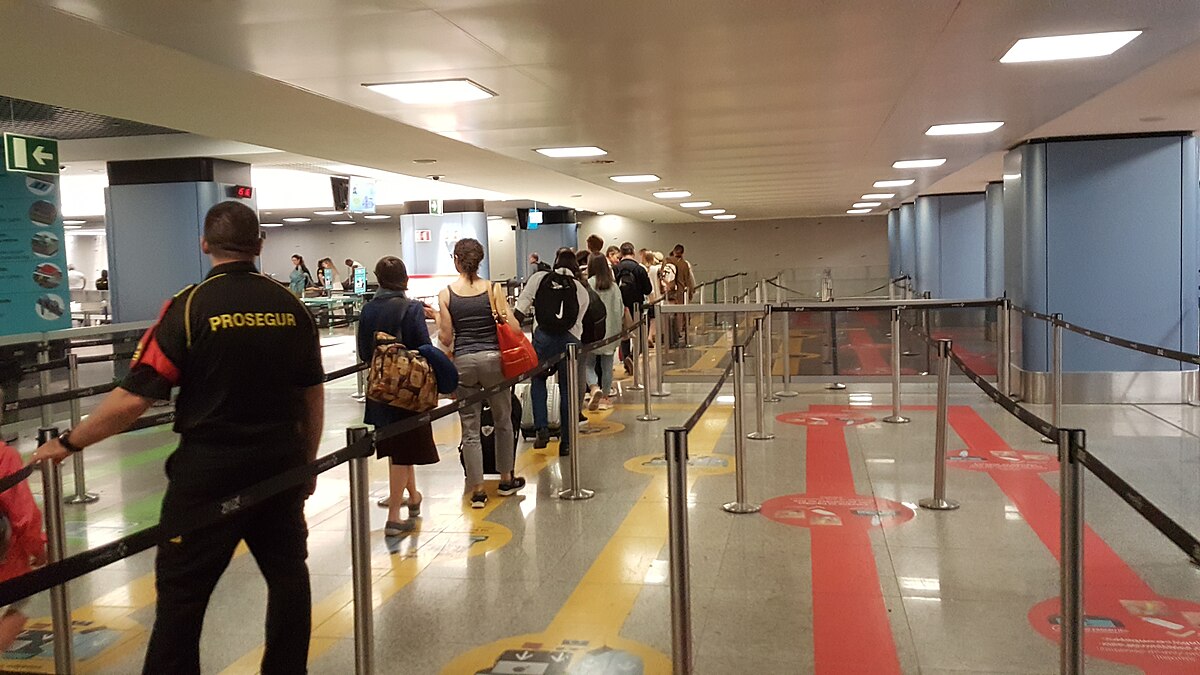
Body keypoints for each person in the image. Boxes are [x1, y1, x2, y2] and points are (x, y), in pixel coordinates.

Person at [32, 201, 324, 675]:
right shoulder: (290, 307)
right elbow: (312, 395)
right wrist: (306, 464)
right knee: (288, 576)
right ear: (259, 245)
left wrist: (68, 444)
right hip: (280, 464)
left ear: (205, 245)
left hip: (208, 473)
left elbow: (133, 399)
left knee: (182, 595)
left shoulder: (188, 307)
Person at [437, 239, 525, 509]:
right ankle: (506, 478)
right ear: (480, 259)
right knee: (503, 420)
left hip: (464, 362)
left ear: (456, 259)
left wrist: (441, 319)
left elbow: (446, 336)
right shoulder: (492, 290)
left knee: (470, 426)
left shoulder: (446, 294)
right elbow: (516, 328)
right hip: (493, 362)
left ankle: (477, 489)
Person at [358, 256, 440, 533]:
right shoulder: (412, 308)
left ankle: (413, 497)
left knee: (398, 447)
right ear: (404, 278)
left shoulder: (368, 309)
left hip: (380, 389)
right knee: (406, 448)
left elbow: (363, 352)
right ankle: (394, 516)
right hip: (409, 389)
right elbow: (423, 347)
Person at [514, 247, 589, 455]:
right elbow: (579, 322)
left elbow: (521, 308)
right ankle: (566, 441)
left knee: (538, 380)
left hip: (543, 339)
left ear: (555, 262)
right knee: (567, 389)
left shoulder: (539, 278)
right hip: (570, 342)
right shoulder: (579, 288)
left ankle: (541, 428)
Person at [0, 383, 46, 651]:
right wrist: (38, 550)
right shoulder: (6, 457)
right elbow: (24, 516)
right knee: (27, 597)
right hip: (6, 562)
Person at [585, 254, 628, 410]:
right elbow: (620, 309)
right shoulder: (613, 286)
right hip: (611, 332)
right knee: (607, 365)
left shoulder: (588, 284)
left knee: (588, 364)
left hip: (593, 332)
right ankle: (605, 396)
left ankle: (593, 387)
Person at [613, 242, 653, 375]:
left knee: (624, 335)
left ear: (621, 253)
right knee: (641, 335)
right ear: (633, 252)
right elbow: (648, 289)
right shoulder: (639, 268)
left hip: (622, 307)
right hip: (637, 307)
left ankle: (625, 359)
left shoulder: (616, 268)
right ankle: (632, 357)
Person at [662, 244, 696, 348]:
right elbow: (687, 280)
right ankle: (677, 337)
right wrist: (690, 294)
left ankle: (668, 338)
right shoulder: (684, 264)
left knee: (668, 315)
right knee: (679, 316)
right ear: (682, 252)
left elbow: (662, 277)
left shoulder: (666, 261)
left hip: (668, 292)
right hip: (681, 293)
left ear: (674, 251)